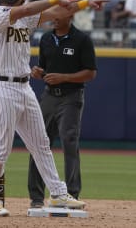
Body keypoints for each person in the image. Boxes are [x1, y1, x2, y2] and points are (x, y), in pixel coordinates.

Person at [0, 0, 106, 216]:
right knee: (1, 148)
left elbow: (56, 12)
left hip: (24, 87)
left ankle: (59, 194)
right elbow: (30, 8)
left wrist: (85, 3)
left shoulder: (25, 16)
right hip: (2, 87)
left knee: (41, 144)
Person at [27, 13, 97, 208]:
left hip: (71, 96)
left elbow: (91, 72)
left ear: (71, 15)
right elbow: (43, 67)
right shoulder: (46, 39)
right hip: (49, 96)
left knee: (69, 140)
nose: (54, 18)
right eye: (53, 14)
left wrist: (64, 77)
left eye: (59, 14)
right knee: (39, 142)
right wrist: (37, 72)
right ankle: (36, 197)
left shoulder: (82, 39)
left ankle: (71, 194)